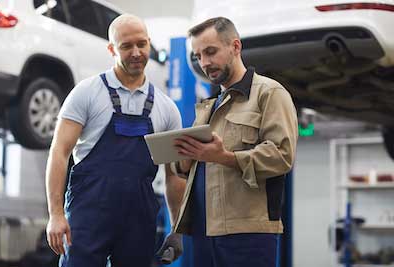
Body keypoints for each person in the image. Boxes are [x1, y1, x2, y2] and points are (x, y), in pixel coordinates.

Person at [45, 14, 185, 267]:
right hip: (88, 214)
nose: (136, 52)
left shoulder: (166, 109)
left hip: (138, 218)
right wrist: (55, 214)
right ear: (111, 49)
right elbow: (59, 152)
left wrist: (176, 229)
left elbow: (174, 175)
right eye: (126, 46)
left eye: (141, 44)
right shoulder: (86, 93)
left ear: (149, 44)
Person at [162, 17, 298, 267]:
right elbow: (186, 169)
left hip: (248, 232)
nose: (205, 63)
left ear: (235, 46)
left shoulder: (269, 94)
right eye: (198, 55)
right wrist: (182, 157)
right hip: (204, 231)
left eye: (211, 52)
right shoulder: (209, 107)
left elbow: (282, 156)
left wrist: (225, 157)